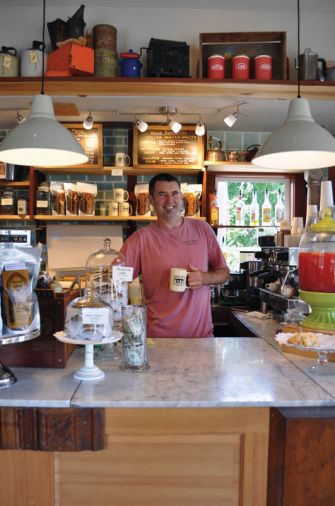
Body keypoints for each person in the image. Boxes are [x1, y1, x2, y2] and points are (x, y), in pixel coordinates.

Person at [120, 173, 230, 338]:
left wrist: (204, 278)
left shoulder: (202, 229)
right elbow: (117, 279)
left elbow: (224, 273)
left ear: (181, 196)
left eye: (174, 193)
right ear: (151, 200)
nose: (170, 200)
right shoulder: (140, 239)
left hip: (201, 340)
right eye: (162, 194)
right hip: (158, 341)